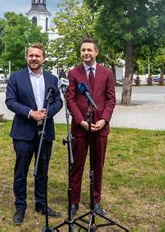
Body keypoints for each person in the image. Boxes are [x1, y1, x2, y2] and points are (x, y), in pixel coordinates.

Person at [5, 44, 63, 225]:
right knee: (21, 172)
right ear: (26, 58)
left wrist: (47, 112)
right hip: (23, 132)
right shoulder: (16, 78)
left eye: (38, 56)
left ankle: (41, 204)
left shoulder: (52, 78)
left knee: (42, 171)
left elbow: (59, 101)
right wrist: (31, 112)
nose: (34, 58)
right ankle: (20, 207)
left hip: (45, 132)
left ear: (44, 58)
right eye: (31, 55)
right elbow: (10, 101)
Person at [66, 38, 116, 216]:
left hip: (100, 127)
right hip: (80, 127)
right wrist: (81, 121)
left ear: (96, 52)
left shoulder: (107, 73)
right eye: (83, 50)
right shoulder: (73, 73)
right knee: (77, 164)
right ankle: (74, 202)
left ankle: (95, 201)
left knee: (97, 165)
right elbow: (70, 99)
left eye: (89, 50)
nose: (86, 53)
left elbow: (111, 99)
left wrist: (104, 120)